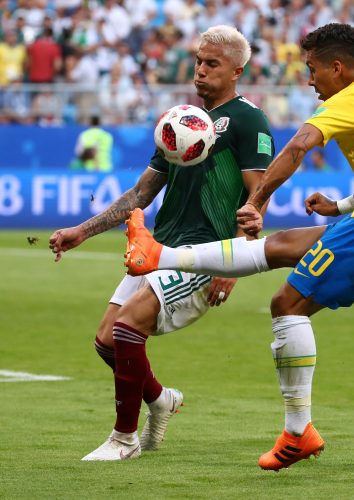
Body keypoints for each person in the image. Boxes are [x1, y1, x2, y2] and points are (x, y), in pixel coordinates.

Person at [123, 23, 354, 471]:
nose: (310, 81)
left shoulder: (348, 98)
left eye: (312, 70)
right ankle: (160, 256)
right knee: (284, 247)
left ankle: (297, 433)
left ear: (337, 66)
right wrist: (341, 204)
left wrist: (255, 199)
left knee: (286, 303)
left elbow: (297, 146)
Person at [49, 25, 276, 461]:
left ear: (237, 71)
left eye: (213, 64)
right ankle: (161, 399)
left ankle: (124, 439)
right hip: (160, 248)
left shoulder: (249, 119)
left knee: (127, 326)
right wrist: (82, 230)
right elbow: (141, 194)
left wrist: (237, 263)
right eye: (198, 61)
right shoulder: (184, 121)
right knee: (106, 342)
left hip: (205, 254)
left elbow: (258, 196)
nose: (201, 71)